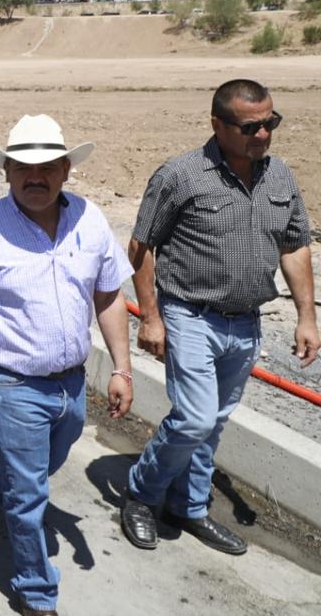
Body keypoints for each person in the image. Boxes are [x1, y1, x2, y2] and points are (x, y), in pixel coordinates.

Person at [0, 115, 134, 616]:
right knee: (31, 492)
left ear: (65, 170)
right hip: (11, 382)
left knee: (39, 469)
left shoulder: (90, 219)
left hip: (71, 383)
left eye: (47, 167)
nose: (36, 176)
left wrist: (122, 368)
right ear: (6, 171)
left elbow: (107, 295)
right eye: (23, 167)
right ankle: (37, 596)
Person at [121, 79, 316, 556]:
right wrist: (150, 317)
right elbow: (142, 247)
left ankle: (188, 507)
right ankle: (141, 495)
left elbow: (293, 246)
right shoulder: (182, 175)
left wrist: (306, 316)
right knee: (194, 418)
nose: (264, 134)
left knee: (215, 423)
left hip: (246, 322)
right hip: (190, 315)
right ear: (218, 125)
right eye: (251, 126)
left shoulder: (280, 177)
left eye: (271, 123)